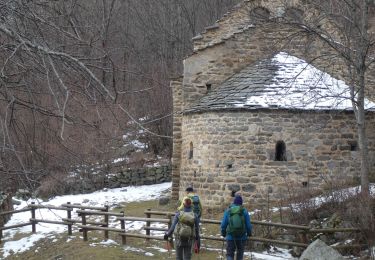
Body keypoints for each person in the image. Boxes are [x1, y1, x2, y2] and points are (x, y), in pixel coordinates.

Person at [220, 195, 252, 260]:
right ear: (241, 203)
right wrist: (249, 233)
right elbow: (248, 226)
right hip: (242, 237)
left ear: (234, 202)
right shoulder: (244, 211)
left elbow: (223, 225)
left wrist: (223, 233)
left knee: (230, 254)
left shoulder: (228, 210)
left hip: (230, 236)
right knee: (240, 255)